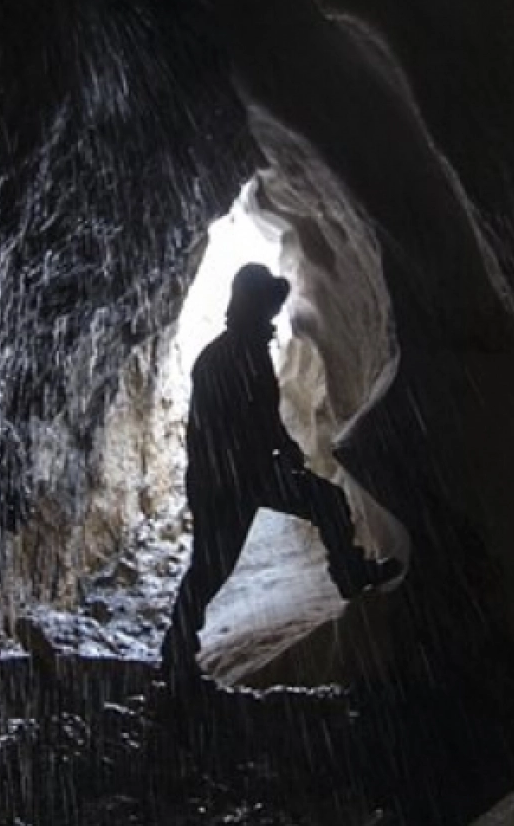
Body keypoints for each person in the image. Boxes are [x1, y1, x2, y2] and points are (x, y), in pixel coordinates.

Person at [161, 263, 401, 684]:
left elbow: (261, 419)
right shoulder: (226, 357)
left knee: (325, 500)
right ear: (251, 305)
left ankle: (349, 573)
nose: (273, 313)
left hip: (244, 473)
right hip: (227, 480)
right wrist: (254, 465)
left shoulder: (245, 350)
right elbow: (225, 429)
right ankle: (177, 654)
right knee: (211, 569)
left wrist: (282, 448)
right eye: (267, 305)